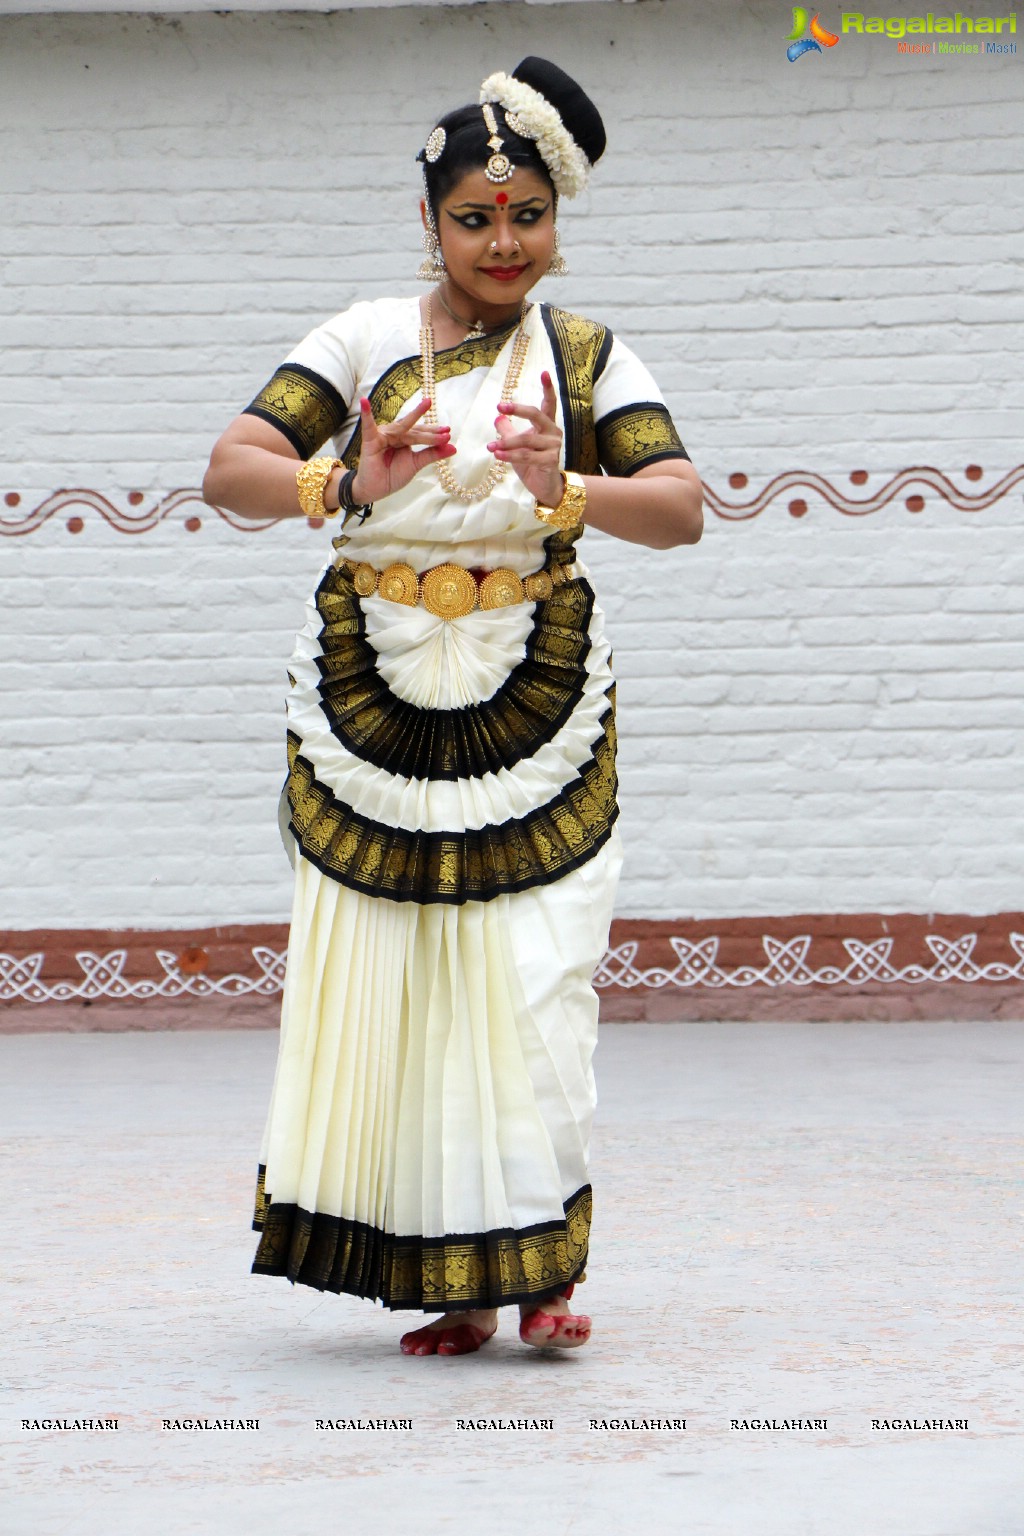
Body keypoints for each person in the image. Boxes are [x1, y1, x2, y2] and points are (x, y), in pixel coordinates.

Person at [203, 57, 703, 1358]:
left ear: (556, 223)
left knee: (536, 990)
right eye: (474, 217)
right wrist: (341, 478)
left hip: (529, 702)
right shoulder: (363, 342)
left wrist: (570, 490)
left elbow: (685, 509)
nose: (502, 241)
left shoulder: (585, 359)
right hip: (378, 705)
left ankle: (541, 1269)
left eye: (526, 214)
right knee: (407, 991)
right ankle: (455, 1283)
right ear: (428, 222)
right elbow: (231, 470)